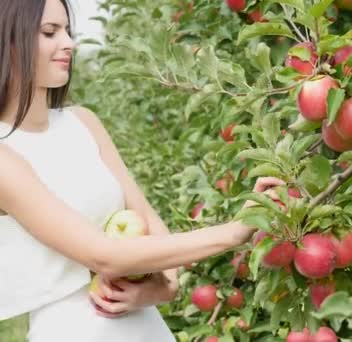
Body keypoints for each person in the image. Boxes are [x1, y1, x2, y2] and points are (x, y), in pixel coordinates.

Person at [0, 0, 284, 340]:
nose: (69, 43)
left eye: (68, 31)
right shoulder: (5, 155)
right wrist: (235, 231)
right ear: (9, 41)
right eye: (50, 32)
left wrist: (162, 288)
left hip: (146, 327)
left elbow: (150, 224)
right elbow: (105, 256)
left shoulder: (84, 123)